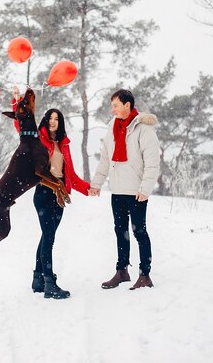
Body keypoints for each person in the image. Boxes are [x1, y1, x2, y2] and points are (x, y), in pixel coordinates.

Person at [11, 87, 90, 299]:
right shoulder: (38, 138)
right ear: (45, 120)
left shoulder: (63, 145)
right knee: (48, 237)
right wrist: (16, 101)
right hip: (44, 192)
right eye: (50, 118)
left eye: (57, 118)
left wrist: (87, 188)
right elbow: (20, 122)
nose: (53, 121)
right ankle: (49, 283)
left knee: (48, 236)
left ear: (60, 123)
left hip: (60, 196)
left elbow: (70, 174)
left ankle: (38, 279)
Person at [89, 89, 160, 290]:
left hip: (137, 191)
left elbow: (152, 163)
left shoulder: (144, 129)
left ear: (127, 105)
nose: (112, 109)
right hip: (118, 189)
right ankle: (122, 271)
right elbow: (105, 158)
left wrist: (145, 189)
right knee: (120, 231)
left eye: (116, 105)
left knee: (139, 232)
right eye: (112, 106)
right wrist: (97, 183)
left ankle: (145, 275)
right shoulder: (112, 127)